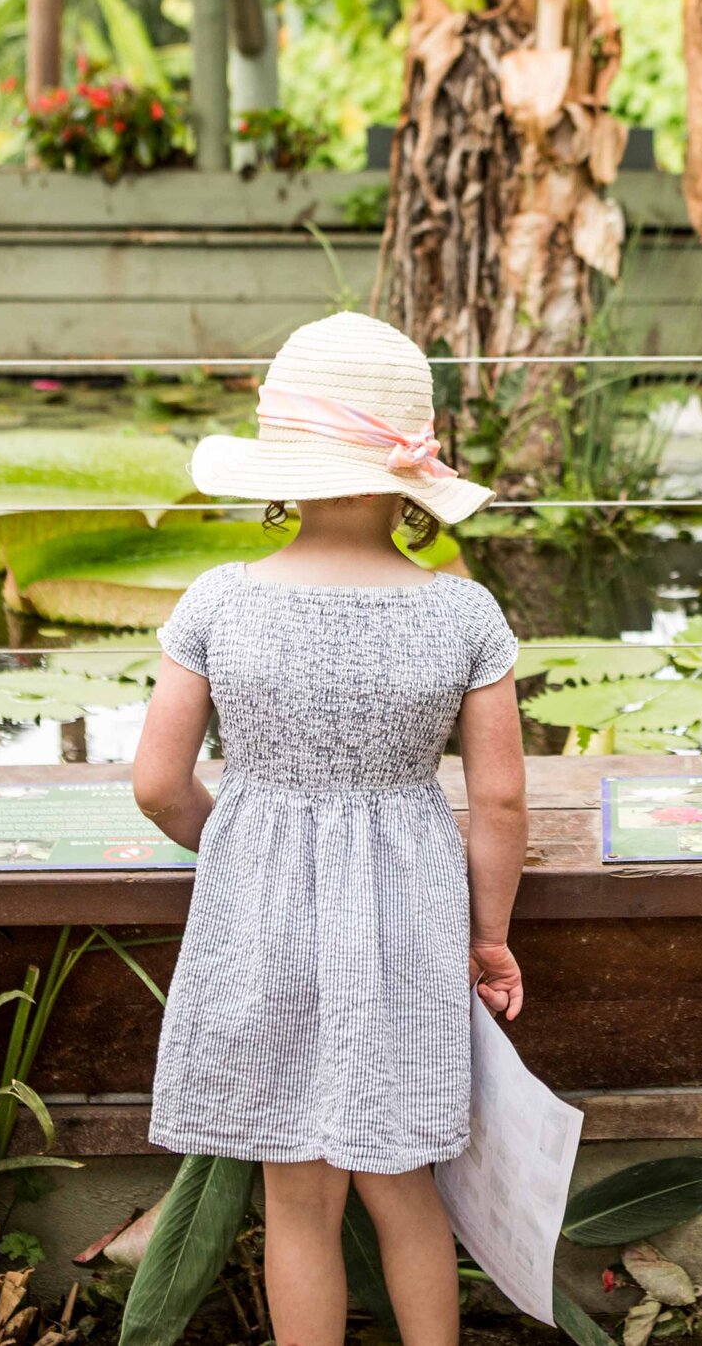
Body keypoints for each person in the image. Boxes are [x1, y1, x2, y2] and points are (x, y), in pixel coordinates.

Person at [133, 312, 527, 1346]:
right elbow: (498, 803)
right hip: (408, 919)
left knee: (296, 1198)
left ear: (281, 467)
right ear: (410, 472)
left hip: (258, 916)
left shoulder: (219, 599)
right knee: (405, 1186)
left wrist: (237, 840)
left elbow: (157, 784)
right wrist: (488, 935)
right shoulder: (464, 613)